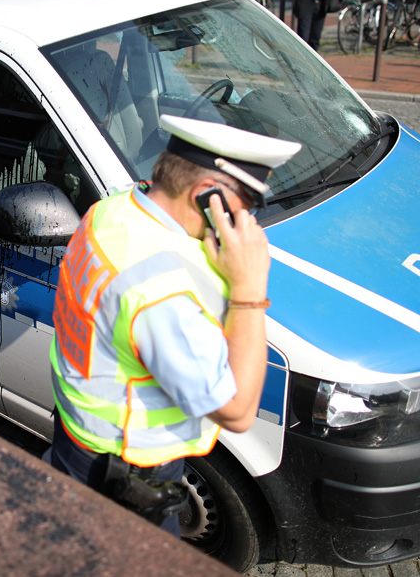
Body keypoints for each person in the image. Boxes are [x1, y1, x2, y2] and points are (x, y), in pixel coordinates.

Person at [44, 116, 301, 534]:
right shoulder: (162, 292)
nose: (249, 222)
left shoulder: (113, 211)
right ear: (206, 195)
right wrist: (249, 292)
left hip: (77, 434)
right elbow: (236, 411)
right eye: (247, 206)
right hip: (126, 472)